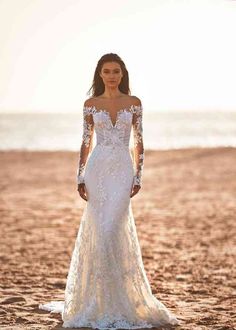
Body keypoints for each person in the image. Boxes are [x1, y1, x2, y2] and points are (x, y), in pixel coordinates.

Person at [39, 53, 180, 328]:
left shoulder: (134, 103)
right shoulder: (91, 105)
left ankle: (120, 299)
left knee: (112, 229)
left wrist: (138, 174)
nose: (112, 76)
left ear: (122, 74)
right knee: (99, 231)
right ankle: (97, 300)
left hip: (122, 170)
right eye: (107, 71)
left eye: (116, 71)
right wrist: (80, 176)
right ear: (100, 75)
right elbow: (85, 142)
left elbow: (139, 140)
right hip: (97, 169)